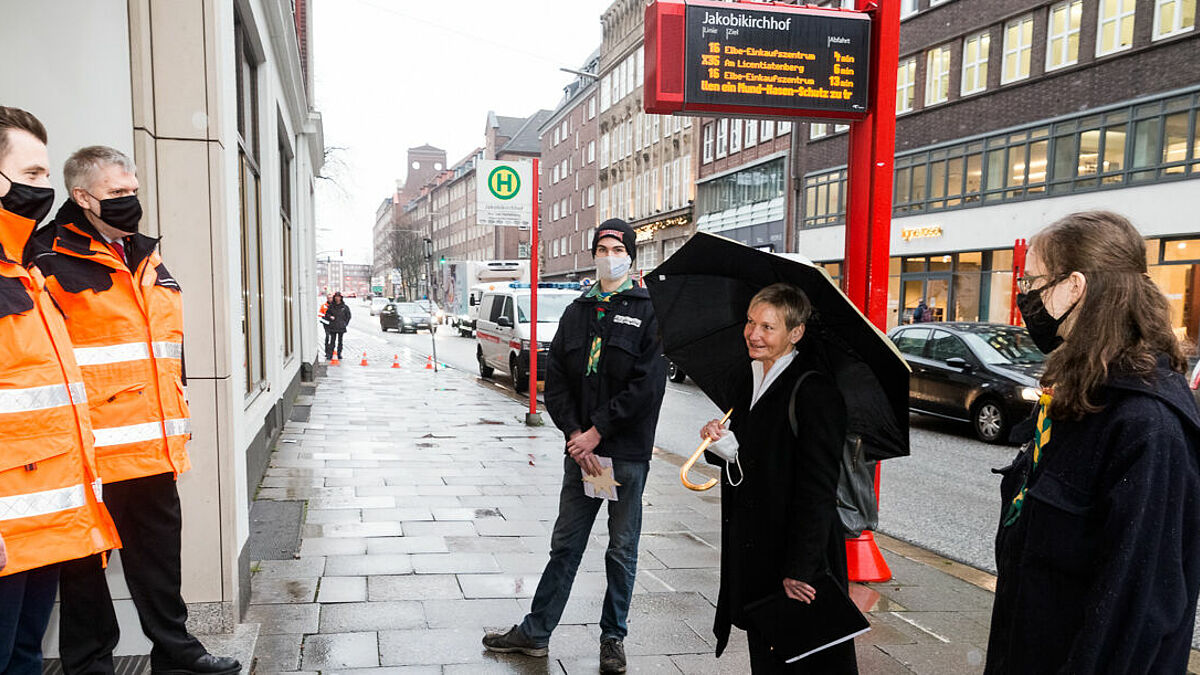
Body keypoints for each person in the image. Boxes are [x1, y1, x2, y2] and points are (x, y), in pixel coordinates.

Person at [34, 146, 240, 675]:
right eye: (118, 192)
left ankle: (177, 655)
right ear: (83, 197)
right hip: (90, 452)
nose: (131, 200)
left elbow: (166, 347)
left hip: (151, 448)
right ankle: (90, 664)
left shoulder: (146, 255)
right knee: (82, 572)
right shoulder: (48, 260)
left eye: (134, 189)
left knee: (159, 565)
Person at [986, 211, 1200, 673]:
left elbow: (1134, 609)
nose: (1025, 294)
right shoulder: (1084, 395)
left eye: (1033, 280)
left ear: (1075, 286)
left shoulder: (1147, 423)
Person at [483, 219, 667, 674]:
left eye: (616, 248)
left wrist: (598, 431)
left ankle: (613, 639)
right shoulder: (578, 310)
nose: (609, 255)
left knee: (621, 548)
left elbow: (648, 387)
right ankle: (536, 632)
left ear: (630, 256)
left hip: (623, 455)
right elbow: (558, 378)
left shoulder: (648, 311)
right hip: (583, 455)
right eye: (601, 247)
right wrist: (574, 434)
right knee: (566, 544)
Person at [0, 107, 121, 674]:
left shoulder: (22, 274)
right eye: (29, 176)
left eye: (45, 175)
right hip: (8, 529)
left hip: (44, 524)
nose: (42, 190)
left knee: (23, 657)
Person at [699, 283, 857, 674]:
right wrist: (726, 449)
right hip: (758, 551)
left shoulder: (814, 391)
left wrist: (800, 569)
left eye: (768, 327)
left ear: (795, 333)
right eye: (751, 322)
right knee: (766, 655)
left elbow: (818, 489)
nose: (754, 334)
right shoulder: (747, 377)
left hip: (796, 554)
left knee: (808, 660)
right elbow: (755, 463)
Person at [323, 292, 351, 359]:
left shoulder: (345, 307)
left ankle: (339, 354)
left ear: (341, 298)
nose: (337, 298)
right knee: (332, 341)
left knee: (340, 341)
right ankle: (330, 354)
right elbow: (327, 314)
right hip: (333, 326)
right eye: (336, 297)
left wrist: (345, 323)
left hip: (341, 326)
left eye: (338, 297)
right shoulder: (331, 306)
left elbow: (348, 316)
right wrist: (330, 317)